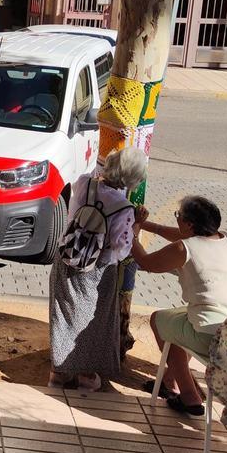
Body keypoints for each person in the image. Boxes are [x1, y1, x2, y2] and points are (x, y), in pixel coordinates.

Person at [131, 196, 227, 416]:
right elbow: (183, 236)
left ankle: (188, 395)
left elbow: (147, 263)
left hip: (221, 339)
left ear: (189, 224)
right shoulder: (225, 238)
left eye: (178, 217)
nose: (177, 221)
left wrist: (134, 231)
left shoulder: (185, 248)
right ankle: (170, 379)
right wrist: (151, 226)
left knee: (159, 320)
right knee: (177, 321)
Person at [48, 146, 147, 392]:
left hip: (68, 259)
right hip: (99, 271)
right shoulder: (124, 208)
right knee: (92, 324)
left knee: (64, 317)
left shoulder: (83, 184)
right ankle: (86, 375)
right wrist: (136, 226)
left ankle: (58, 373)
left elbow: (73, 216)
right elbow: (121, 248)